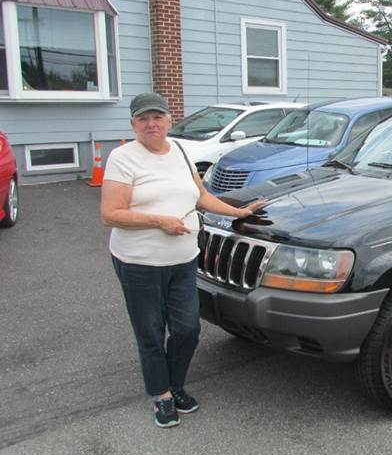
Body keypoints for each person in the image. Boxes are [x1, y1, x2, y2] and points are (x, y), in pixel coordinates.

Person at [100, 92, 267, 428]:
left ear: (168, 120)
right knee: (150, 330)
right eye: (143, 119)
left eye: (157, 117)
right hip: (139, 263)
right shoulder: (122, 158)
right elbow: (110, 214)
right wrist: (158, 221)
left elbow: (201, 196)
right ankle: (161, 394)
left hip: (183, 260)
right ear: (133, 123)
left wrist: (236, 211)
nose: (151, 124)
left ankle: (175, 384)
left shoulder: (178, 151)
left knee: (187, 329)